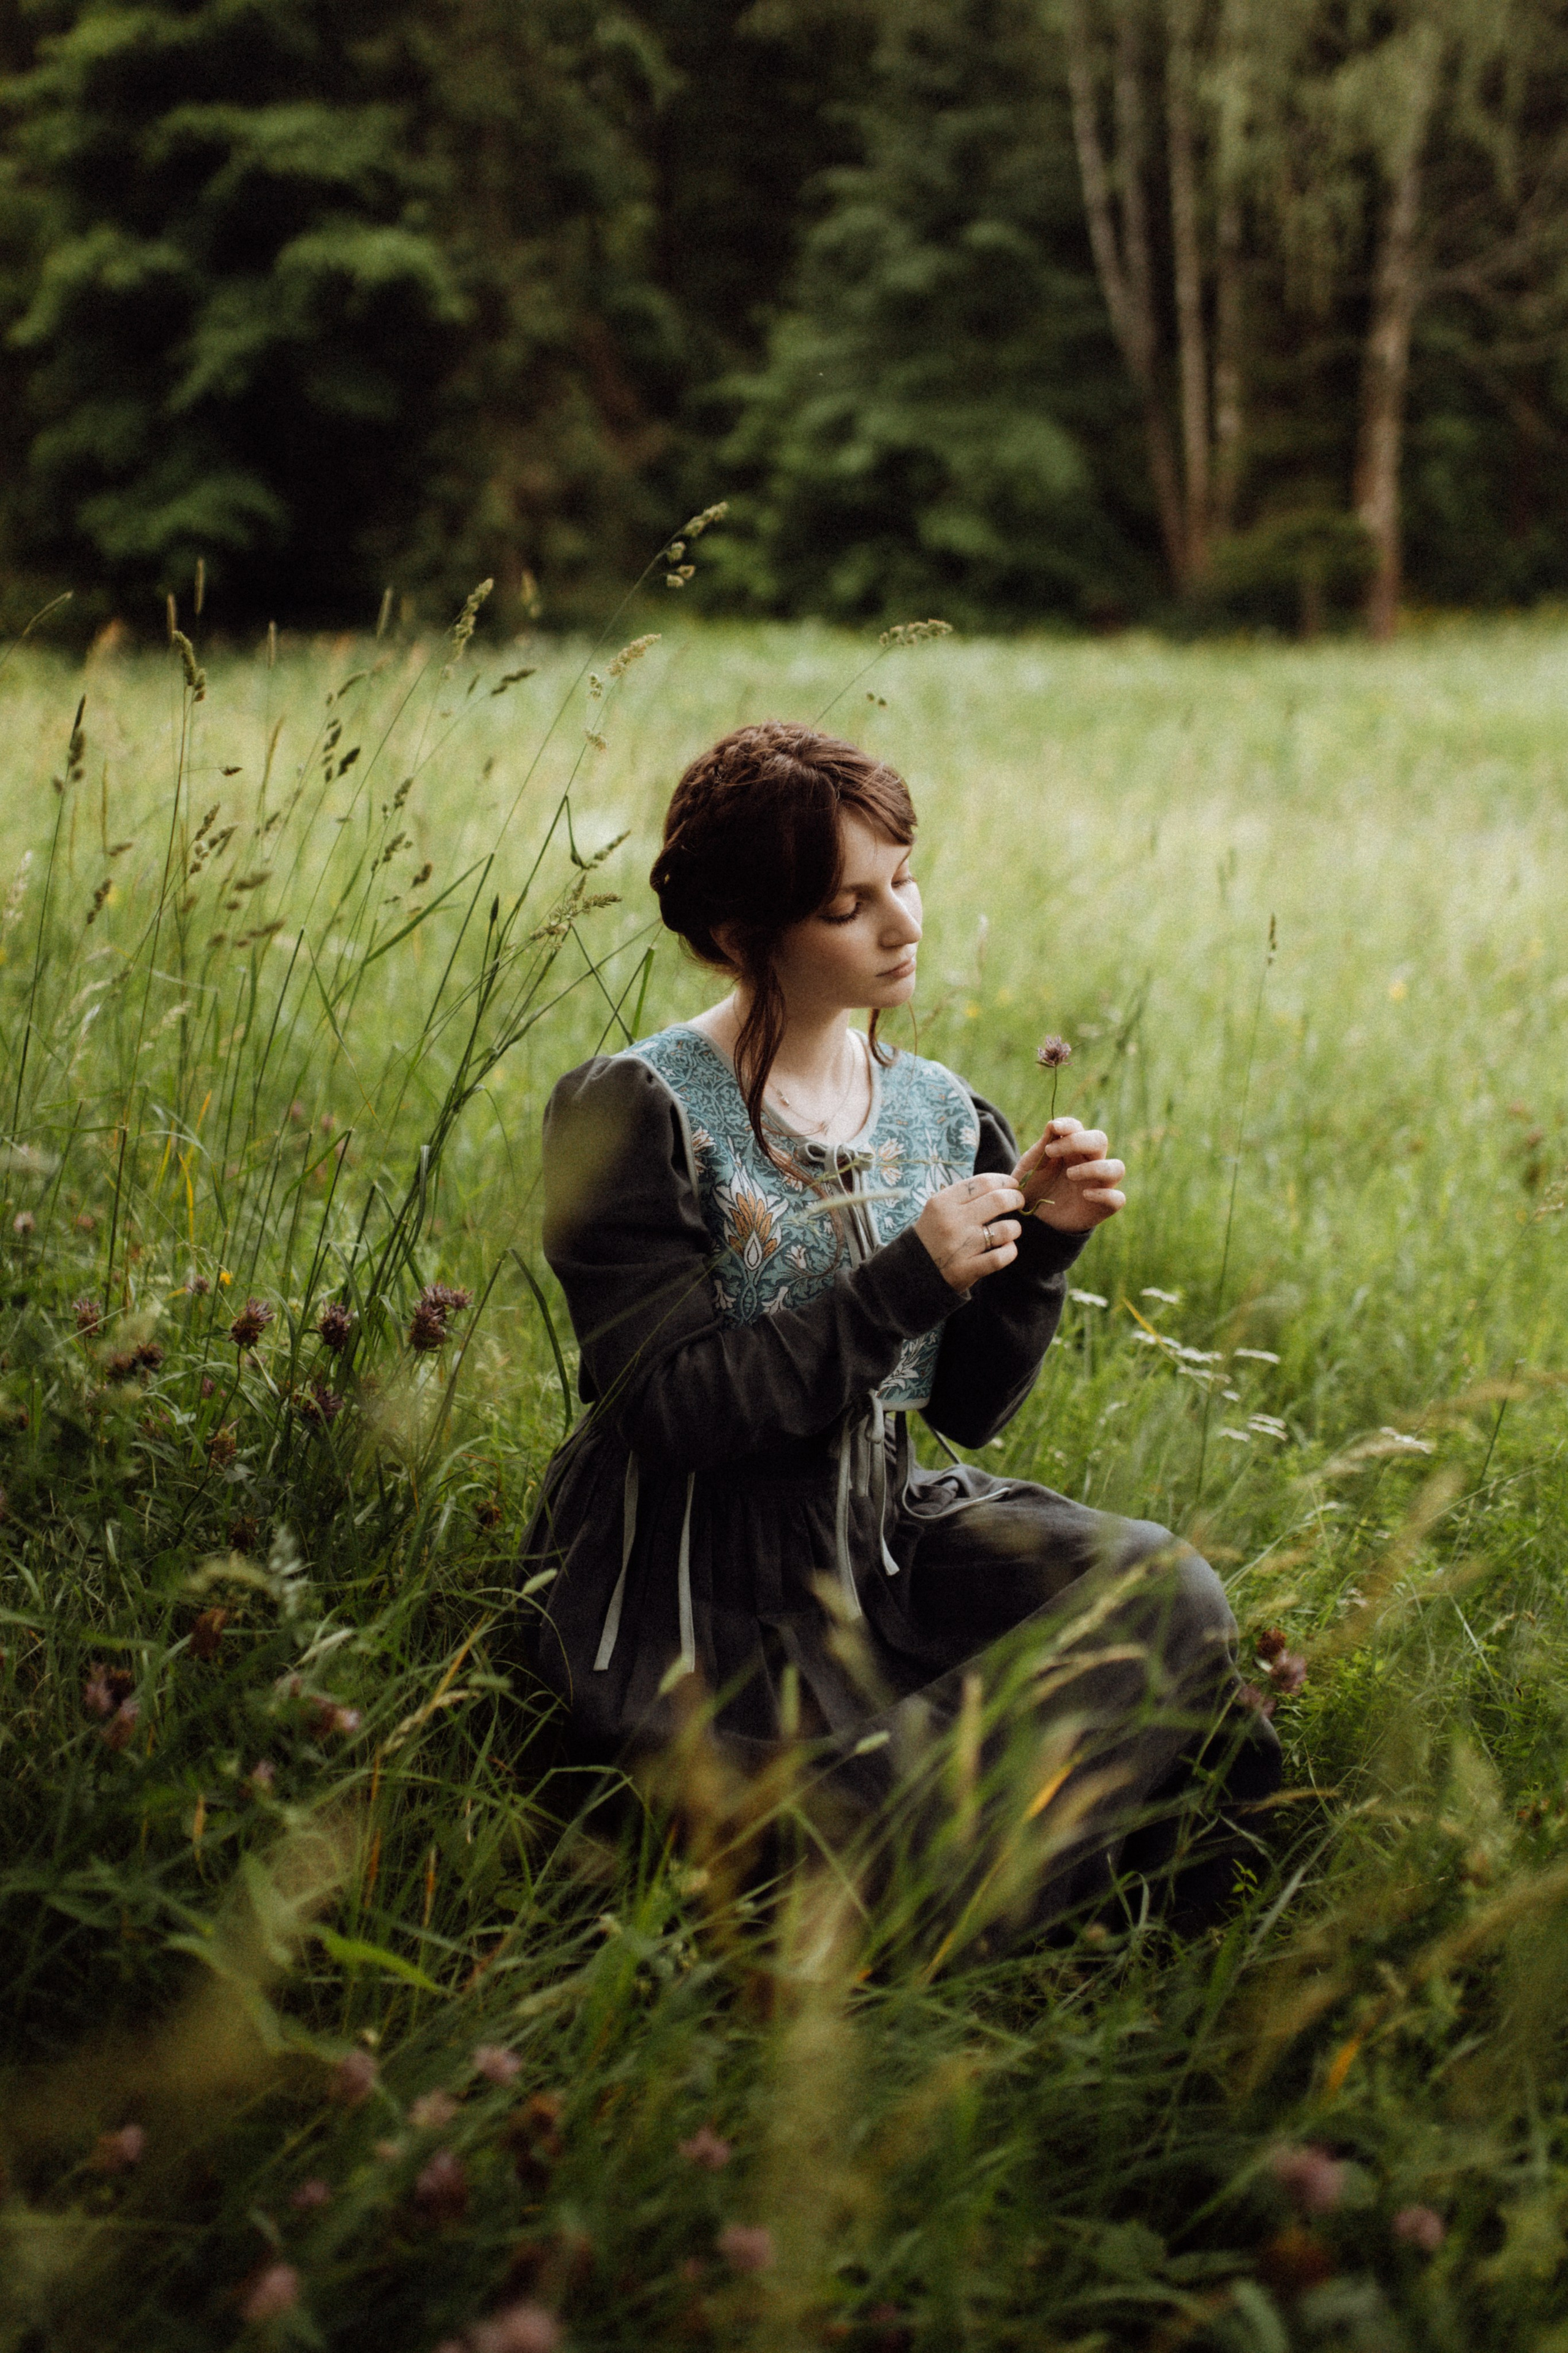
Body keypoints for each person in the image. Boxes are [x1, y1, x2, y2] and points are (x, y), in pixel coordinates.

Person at [525, 722, 1280, 1941]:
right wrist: (902, 1279)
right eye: (845, 904)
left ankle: (874, 1858)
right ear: (740, 936)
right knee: (1137, 1717)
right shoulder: (636, 1109)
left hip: (876, 1527)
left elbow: (965, 1406)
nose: (901, 923)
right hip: (699, 1574)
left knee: (1162, 1588)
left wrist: (1039, 1247)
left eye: (904, 878)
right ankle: (879, 1868)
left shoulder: (938, 1110)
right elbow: (671, 1407)